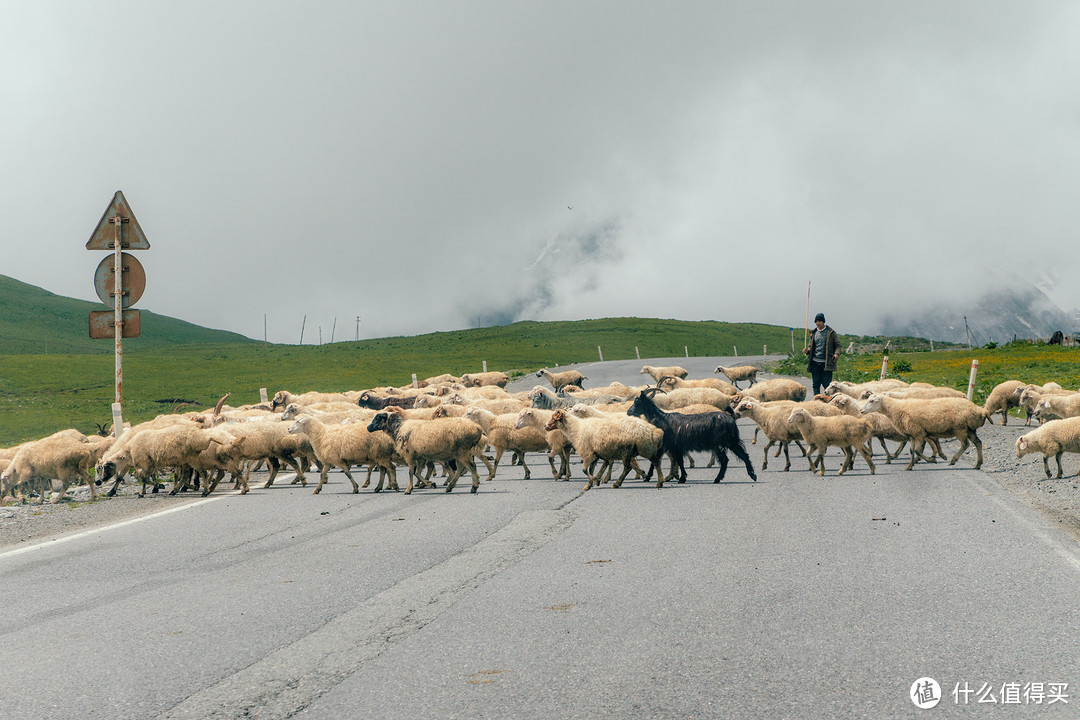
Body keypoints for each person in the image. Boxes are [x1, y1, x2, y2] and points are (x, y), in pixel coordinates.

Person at [803, 312, 839, 396]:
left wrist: (836, 354)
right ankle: (817, 401)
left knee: (826, 385)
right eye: (816, 321)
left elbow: (838, 345)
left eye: (819, 321)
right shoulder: (813, 333)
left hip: (826, 363)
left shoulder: (831, 333)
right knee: (816, 384)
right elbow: (811, 347)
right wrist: (807, 351)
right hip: (815, 363)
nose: (818, 323)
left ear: (823, 322)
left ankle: (828, 401)